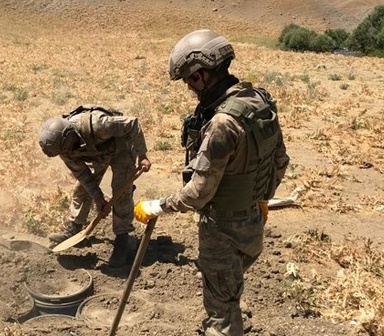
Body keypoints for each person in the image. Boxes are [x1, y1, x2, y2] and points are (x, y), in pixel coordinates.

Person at [133, 29, 290, 336]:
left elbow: (198, 194)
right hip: (253, 224)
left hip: (223, 232)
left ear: (200, 75)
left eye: (188, 82)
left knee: (221, 311)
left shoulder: (222, 123)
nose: (190, 89)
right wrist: (260, 197)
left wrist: (157, 206)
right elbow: (280, 160)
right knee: (228, 292)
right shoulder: (258, 101)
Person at [38, 105, 151, 267]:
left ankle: (122, 239)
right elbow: (84, 175)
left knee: (121, 193)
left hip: (121, 149)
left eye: (66, 149)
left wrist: (142, 155)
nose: (66, 153)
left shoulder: (99, 125)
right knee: (81, 189)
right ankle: (75, 228)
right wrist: (98, 199)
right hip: (96, 152)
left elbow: (132, 123)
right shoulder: (63, 148)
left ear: (69, 136)